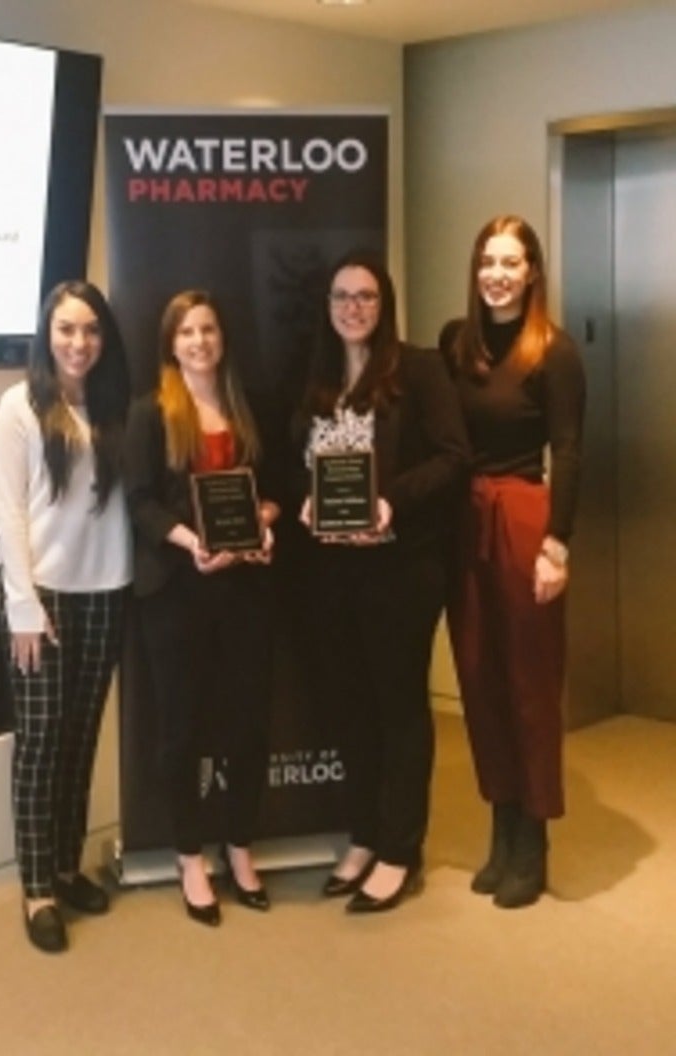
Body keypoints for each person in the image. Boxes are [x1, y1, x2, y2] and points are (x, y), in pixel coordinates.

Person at [297, 250, 468, 914]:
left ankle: (400, 849)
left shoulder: (418, 369)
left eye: (366, 296)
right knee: (350, 708)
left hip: (401, 569)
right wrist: (305, 501)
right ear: (327, 306)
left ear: (385, 303)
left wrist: (389, 501)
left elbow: (454, 458)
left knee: (399, 709)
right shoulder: (317, 376)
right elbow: (294, 461)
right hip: (331, 574)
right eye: (342, 296)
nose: (353, 308)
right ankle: (365, 835)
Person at [440, 216, 585, 909]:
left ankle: (534, 841)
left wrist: (558, 544)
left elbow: (571, 449)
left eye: (510, 262)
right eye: (487, 262)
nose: (497, 274)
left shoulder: (553, 351)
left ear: (532, 273)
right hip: (464, 521)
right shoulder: (455, 344)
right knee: (478, 676)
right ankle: (501, 828)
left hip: (525, 518)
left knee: (530, 680)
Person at [124, 290, 279, 927]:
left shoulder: (247, 406)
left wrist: (263, 525)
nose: (199, 342)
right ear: (171, 343)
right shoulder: (149, 413)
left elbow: (272, 490)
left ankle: (238, 846)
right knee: (181, 729)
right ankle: (190, 856)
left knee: (249, 724)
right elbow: (139, 502)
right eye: (187, 332)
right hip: (175, 590)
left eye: (208, 329)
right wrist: (194, 544)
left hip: (245, 588)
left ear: (222, 338)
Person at [0, 280, 131, 953]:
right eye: (67, 329)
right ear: (47, 334)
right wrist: (23, 605)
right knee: (41, 739)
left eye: (91, 330)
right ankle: (38, 888)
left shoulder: (116, 404)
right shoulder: (18, 406)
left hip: (106, 589)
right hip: (38, 596)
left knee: (80, 736)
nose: (79, 342)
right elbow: (9, 511)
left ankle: (68, 868)